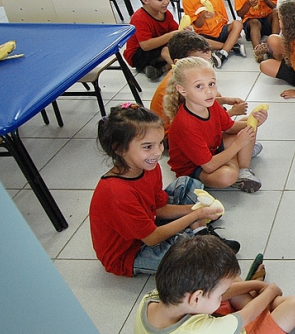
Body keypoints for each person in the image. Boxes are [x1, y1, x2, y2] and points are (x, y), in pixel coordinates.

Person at [90, 103, 238, 277]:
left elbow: (159, 208)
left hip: (150, 222)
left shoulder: (149, 167)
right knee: (186, 260)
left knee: (186, 183)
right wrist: (196, 214)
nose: (158, 152)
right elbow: (152, 238)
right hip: (132, 252)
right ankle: (197, 236)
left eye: (160, 143)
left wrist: (198, 209)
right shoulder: (117, 192)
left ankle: (197, 232)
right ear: (119, 148)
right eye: (147, 147)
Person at [134, 236, 295, 334]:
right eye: (219, 295)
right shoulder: (200, 331)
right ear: (196, 298)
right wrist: (270, 291)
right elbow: (248, 314)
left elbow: (222, 292)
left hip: (214, 318)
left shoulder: (153, 298)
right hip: (233, 326)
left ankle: (258, 299)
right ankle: (265, 301)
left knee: (226, 277)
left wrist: (253, 285)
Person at [165, 57, 268, 192]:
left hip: (214, 149)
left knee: (247, 123)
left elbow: (230, 127)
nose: (208, 91)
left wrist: (255, 121)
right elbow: (208, 166)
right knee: (227, 176)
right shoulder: (186, 124)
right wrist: (239, 144)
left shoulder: (211, 103)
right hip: (196, 167)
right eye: (199, 86)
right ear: (182, 90)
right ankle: (239, 156)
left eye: (211, 84)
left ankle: (243, 169)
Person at [149, 30, 248, 136]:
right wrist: (232, 112)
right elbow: (196, 122)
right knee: (242, 135)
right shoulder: (178, 87)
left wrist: (226, 100)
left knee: (218, 98)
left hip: (188, 126)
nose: (205, 67)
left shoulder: (180, 75)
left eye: (208, 62)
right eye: (198, 62)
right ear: (179, 62)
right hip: (173, 136)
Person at [183, 0, 245, 69]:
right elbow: (196, 25)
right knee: (192, 41)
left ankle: (223, 53)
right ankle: (229, 48)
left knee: (238, 24)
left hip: (220, 30)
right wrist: (203, 16)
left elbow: (224, 18)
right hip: (204, 35)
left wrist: (232, 31)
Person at [123, 0, 178, 80]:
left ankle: (161, 68)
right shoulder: (139, 18)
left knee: (180, 47)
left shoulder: (165, 13)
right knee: (166, 51)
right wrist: (172, 35)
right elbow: (145, 45)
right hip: (138, 54)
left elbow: (176, 30)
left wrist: (184, 31)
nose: (166, 2)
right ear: (145, 0)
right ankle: (180, 72)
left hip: (157, 48)